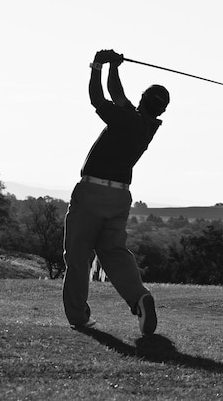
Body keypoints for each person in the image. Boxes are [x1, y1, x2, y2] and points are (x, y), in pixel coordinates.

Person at [63, 49, 170, 334]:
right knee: (114, 253)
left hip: (92, 193)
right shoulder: (147, 125)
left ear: (142, 100)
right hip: (120, 196)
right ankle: (140, 298)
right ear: (161, 110)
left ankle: (79, 317)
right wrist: (114, 67)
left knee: (77, 256)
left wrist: (97, 66)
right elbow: (117, 95)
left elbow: (98, 99)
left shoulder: (127, 118)